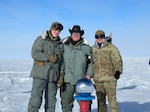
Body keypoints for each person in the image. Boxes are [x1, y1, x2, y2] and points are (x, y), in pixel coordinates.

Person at [28, 22, 64, 112]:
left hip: (53, 77)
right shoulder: (41, 40)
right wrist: (49, 57)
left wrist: (61, 75)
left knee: (51, 102)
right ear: (51, 29)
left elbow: (62, 61)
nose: (57, 32)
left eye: (59, 31)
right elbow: (35, 54)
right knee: (35, 100)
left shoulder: (60, 44)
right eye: (55, 30)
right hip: (40, 75)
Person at [60, 25, 94, 112]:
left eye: (78, 33)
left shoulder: (86, 48)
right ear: (71, 34)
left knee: (85, 105)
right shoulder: (64, 46)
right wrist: (60, 76)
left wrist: (89, 74)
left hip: (82, 82)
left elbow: (91, 63)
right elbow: (60, 62)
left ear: (81, 34)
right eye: (74, 33)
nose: (76, 35)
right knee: (66, 105)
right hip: (67, 81)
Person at [92, 30, 123, 112]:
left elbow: (117, 60)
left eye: (101, 36)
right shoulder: (93, 49)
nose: (99, 38)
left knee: (112, 100)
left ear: (104, 37)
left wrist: (118, 71)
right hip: (98, 80)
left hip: (109, 79)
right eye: (97, 37)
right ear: (95, 38)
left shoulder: (111, 48)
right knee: (100, 102)